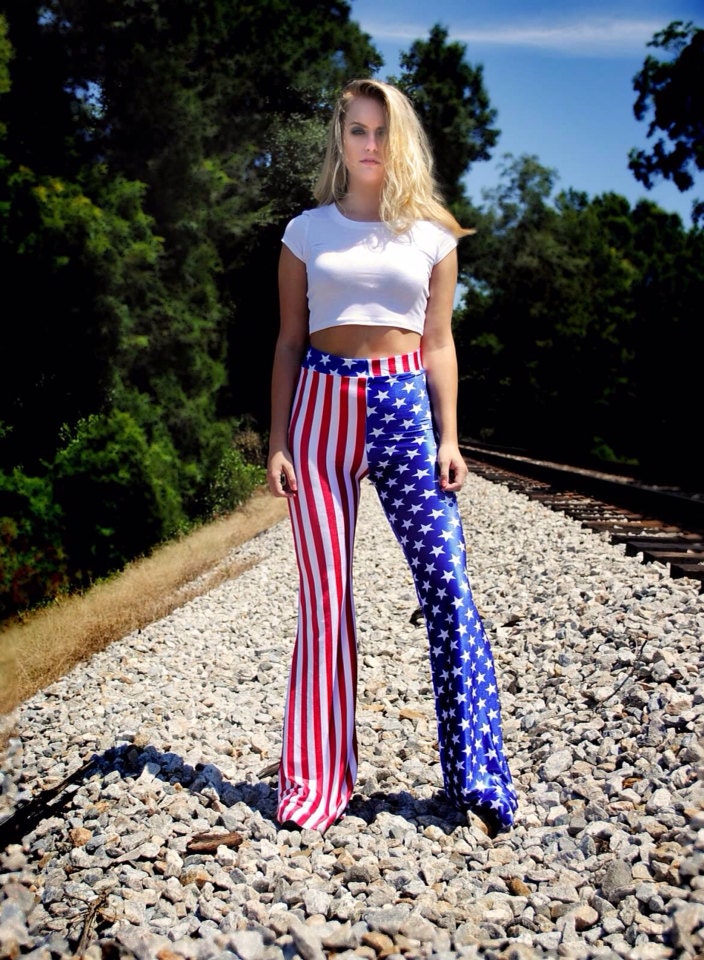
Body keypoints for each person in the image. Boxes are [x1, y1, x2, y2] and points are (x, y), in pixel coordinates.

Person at [266, 77, 517, 837]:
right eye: (356, 131)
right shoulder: (305, 232)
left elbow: (439, 342)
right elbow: (287, 342)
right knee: (325, 599)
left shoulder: (433, 233)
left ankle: (477, 779)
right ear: (340, 142)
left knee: (446, 579)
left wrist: (450, 435)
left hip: (405, 405)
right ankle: (316, 783)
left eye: (381, 131)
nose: (369, 144)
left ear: (399, 138)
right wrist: (277, 440)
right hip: (320, 409)